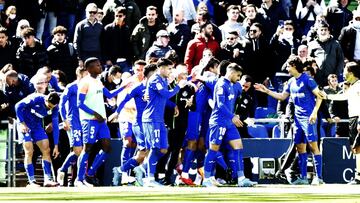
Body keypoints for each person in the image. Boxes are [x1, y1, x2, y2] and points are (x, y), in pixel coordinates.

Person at [254, 55, 324, 185]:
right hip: (297, 119)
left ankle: (318, 177)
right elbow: (282, 96)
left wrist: (314, 113)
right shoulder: (291, 81)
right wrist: (266, 91)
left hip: (308, 118)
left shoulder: (308, 80)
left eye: (288, 66)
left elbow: (320, 96)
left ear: (294, 66)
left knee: (313, 146)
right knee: (300, 147)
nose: (286, 68)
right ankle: (303, 177)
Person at [75, 57, 129, 187]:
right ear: (89, 68)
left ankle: (90, 173)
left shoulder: (98, 81)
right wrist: (95, 113)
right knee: (87, 148)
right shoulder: (85, 82)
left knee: (107, 148)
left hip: (101, 121)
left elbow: (109, 95)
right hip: (90, 120)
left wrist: (124, 87)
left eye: (100, 64)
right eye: (97, 65)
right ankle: (79, 179)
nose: (100, 67)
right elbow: (79, 103)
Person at [202, 63, 257, 187]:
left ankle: (241, 179)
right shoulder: (221, 84)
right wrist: (233, 117)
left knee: (238, 146)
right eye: (238, 75)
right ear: (231, 72)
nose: (239, 78)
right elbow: (220, 105)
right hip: (218, 122)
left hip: (229, 123)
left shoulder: (234, 85)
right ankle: (206, 178)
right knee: (213, 149)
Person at [110, 63, 158, 186]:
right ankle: (129, 175)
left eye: (142, 70)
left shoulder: (153, 85)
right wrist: (117, 113)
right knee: (133, 145)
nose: (140, 72)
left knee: (144, 150)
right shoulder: (132, 85)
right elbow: (123, 100)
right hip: (133, 119)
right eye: (138, 70)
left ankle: (129, 172)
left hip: (146, 121)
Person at [141, 58, 187, 186]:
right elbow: (166, 94)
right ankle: (149, 178)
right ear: (161, 68)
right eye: (169, 68)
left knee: (163, 149)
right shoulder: (155, 79)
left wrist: (173, 105)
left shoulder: (163, 80)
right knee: (155, 148)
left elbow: (163, 98)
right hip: (151, 118)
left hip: (159, 119)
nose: (170, 71)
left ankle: (143, 169)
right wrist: (179, 86)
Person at [323, 62, 360, 184]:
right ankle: (358, 176)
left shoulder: (359, 85)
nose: (343, 73)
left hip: (358, 119)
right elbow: (343, 97)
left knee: (357, 147)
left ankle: (358, 176)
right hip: (353, 119)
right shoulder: (353, 86)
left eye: (345, 70)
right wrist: (327, 97)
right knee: (356, 149)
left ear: (350, 72)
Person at [15, 92, 60, 187]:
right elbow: (17, 106)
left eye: (52, 107)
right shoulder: (35, 98)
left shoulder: (55, 108)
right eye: (49, 106)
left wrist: (56, 145)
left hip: (37, 126)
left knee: (46, 149)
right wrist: (21, 123)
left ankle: (48, 179)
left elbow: (55, 126)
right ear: (46, 100)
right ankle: (31, 181)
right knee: (29, 151)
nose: (50, 108)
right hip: (24, 124)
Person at [57, 67, 88, 186]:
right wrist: (65, 120)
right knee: (78, 150)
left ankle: (74, 176)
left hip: (85, 121)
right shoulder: (71, 87)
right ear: (79, 75)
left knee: (84, 150)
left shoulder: (88, 87)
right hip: (73, 122)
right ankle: (70, 173)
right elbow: (61, 104)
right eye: (85, 75)